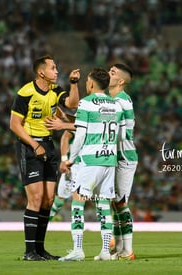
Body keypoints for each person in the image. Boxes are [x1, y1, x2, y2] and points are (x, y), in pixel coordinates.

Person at [10, 55, 80, 261]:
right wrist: (34, 144)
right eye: (53, 68)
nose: (57, 71)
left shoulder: (54, 90)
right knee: (36, 198)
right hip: (29, 146)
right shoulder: (26, 92)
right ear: (41, 72)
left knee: (48, 201)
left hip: (48, 146)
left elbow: (72, 103)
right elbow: (14, 124)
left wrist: (74, 84)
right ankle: (29, 252)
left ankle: (40, 250)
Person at [58, 67, 125, 261]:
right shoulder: (116, 105)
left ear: (92, 83)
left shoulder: (86, 104)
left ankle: (78, 249)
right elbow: (120, 136)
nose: (86, 84)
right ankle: (105, 251)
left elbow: (79, 135)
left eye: (87, 81)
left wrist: (71, 158)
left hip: (90, 160)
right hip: (109, 160)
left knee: (77, 202)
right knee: (103, 204)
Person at [107, 63, 138, 260]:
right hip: (114, 157)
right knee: (114, 203)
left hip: (124, 157)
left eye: (112, 73)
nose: (108, 74)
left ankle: (128, 251)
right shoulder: (112, 100)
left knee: (121, 203)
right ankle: (119, 249)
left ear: (120, 81)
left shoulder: (122, 102)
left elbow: (121, 133)